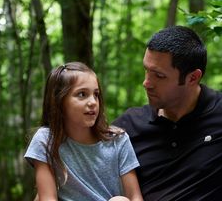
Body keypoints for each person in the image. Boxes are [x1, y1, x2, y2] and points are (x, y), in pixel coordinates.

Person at [112, 26, 222, 200]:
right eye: (146, 70)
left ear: (193, 78)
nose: (146, 83)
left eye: (159, 75)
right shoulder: (127, 127)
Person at [24, 62, 143, 201]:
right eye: (82, 94)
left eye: (96, 94)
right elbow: (47, 198)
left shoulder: (118, 140)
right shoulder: (46, 140)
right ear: (59, 101)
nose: (93, 102)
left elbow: (135, 196)